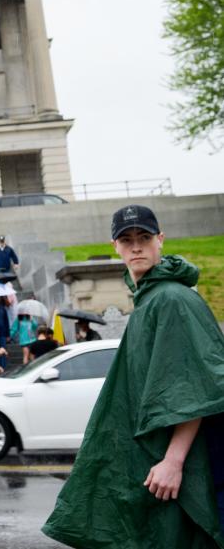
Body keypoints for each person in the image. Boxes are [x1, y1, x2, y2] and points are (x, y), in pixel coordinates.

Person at [44, 204, 224, 548]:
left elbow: (193, 386)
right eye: (126, 239)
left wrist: (173, 460)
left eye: (144, 237)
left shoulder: (171, 299)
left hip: (193, 460)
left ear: (160, 240)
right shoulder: (150, 298)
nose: (136, 246)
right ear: (116, 246)